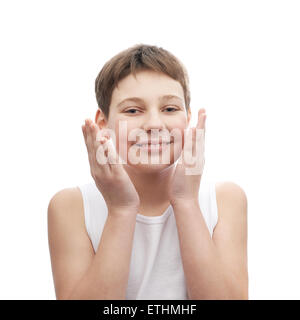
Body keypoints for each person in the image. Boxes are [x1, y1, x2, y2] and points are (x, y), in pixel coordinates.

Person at [47, 44, 248, 300]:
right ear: (102, 123)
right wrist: (121, 209)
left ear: (187, 119)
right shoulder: (71, 206)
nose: (154, 124)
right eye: (132, 110)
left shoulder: (225, 200)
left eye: (170, 109)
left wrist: (186, 202)